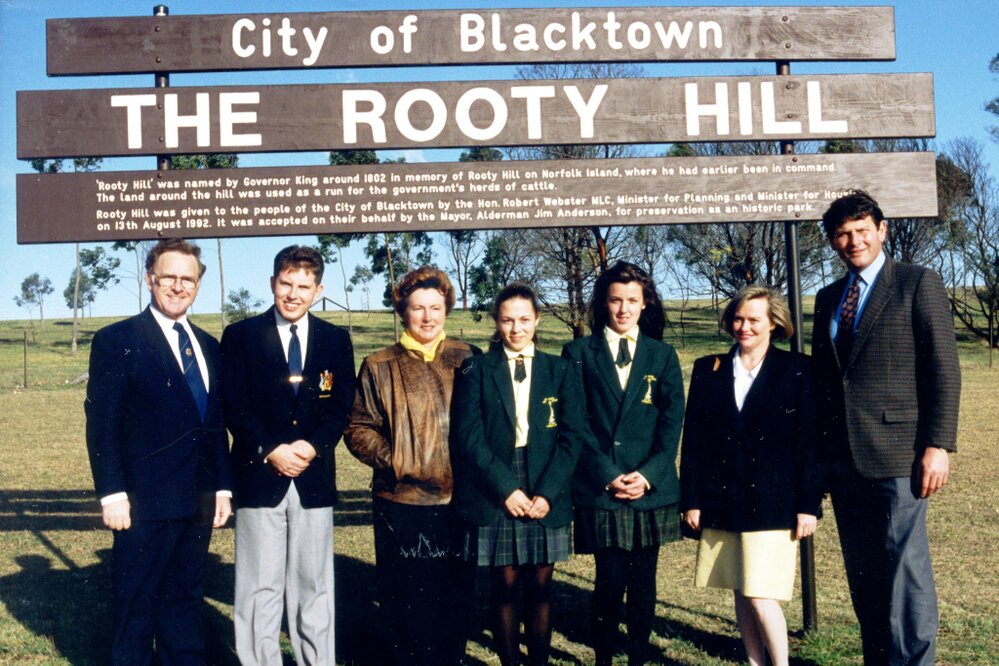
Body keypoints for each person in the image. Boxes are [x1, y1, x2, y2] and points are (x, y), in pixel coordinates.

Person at [812, 190, 960, 665]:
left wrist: (938, 444)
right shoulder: (828, 298)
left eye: (861, 230)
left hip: (900, 456)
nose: (853, 241)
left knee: (904, 572)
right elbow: (824, 381)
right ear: (832, 242)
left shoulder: (918, 283)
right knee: (865, 575)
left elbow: (944, 368)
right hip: (844, 460)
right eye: (842, 234)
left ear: (882, 230)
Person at [84, 238, 232, 665]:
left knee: (184, 605)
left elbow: (214, 423)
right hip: (142, 502)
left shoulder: (208, 345)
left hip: (198, 500)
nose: (178, 286)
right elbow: (102, 423)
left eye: (188, 279)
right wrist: (111, 493)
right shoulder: (118, 339)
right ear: (150, 279)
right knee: (136, 607)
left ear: (198, 286)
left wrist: (221, 487)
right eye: (169, 277)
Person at [221, 245, 355, 666]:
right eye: (286, 284)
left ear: (319, 289)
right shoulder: (241, 336)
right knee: (259, 588)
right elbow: (233, 404)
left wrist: (312, 447)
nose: (293, 294)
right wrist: (271, 449)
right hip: (260, 476)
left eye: (303, 286)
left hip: (313, 479)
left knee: (313, 586)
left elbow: (343, 405)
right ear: (272, 283)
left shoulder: (335, 338)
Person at [344, 266, 480, 665]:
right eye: (417, 307)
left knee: (454, 602)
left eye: (435, 307)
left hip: (458, 502)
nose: (427, 317)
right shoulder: (378, 363)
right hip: (401, 502)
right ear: (402, 310)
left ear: (447, 309)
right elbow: (358, 428)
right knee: (405, 607)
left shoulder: (467, 358)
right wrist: (399, 460)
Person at [680, 286, 822, 666]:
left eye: (754, 319)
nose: (744, 327)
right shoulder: (708, 368)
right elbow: (693, 439)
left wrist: (809, 505)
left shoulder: (799, 369)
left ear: (774, 323)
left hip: (774, 501)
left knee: (761, 593)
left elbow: (810, 444)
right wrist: (691, 499)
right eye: (738, 319)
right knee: (741, 589)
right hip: (723, 498)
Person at [451, 283, 583, 666]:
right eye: (507, 320)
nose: (516, 328)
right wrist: (506, 488)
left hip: (546, 482)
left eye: (524, 319)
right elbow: (469, 437)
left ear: (537, 319)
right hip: (497, 484)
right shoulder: (477, 368)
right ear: (497, 321)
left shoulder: (560, 369)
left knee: (540, 587)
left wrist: (548, 494)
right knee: (505, 585)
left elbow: (572, 437)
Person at [563, 261, 685, 666]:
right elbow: (575, 423)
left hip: (650, 488)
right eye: (615, 300)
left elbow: (671, 426)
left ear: (645, 302)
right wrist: (608, 475)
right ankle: (602, 657)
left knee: (643, 580)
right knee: (609, 579)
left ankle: (636, 656)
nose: (623, 309)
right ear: (603, 303)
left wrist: (647, 476)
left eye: (632, 300)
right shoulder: (578, 352)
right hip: (603, 487)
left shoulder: (662, 355)